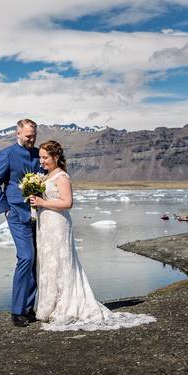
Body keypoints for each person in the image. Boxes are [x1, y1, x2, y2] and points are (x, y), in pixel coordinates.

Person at [29, 140, 156, 331]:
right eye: (40, 157)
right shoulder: (47, 176)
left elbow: (67, 203)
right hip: (45, 225)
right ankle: (49, 306)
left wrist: (42, 202)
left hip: (57, 225)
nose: (41, 161)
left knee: (60, 263)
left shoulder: (62, 177)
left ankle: (66, 306)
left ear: (55, 157)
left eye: (45, 157)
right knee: (48, 263)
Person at [0, 118, 44, 327]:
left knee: (37, 260)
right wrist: (6, 209)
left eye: (34, 136)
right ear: (18, 134)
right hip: (17, 215)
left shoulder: (39, 154)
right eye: (28, 136)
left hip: (40, 215)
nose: (31, 139)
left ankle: (28, 309)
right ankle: (17, 311)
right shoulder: (7, 154)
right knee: (26, 257)